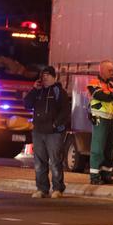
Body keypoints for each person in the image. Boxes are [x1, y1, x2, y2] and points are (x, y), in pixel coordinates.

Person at [24, 66, 69, 198]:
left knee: (55, 161)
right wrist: (34, 89)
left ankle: (58, 188)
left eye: (48, 75)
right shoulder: (38, 92)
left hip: (53, 133)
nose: (45, 78)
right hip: (38, 131)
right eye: (43, 76)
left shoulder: (59, 92)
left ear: (54, 77)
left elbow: (65, 111)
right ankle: (42, 188)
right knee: (39, 162)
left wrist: (55, 124)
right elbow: (27, 104)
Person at [88, 60, 113, 185]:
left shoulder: (111, 84)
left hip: (110, 118)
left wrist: (110, 94)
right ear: (101, 70)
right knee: (97, 148)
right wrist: (111, 94)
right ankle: (94, 176)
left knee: (109, 147)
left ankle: (106, 174)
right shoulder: (93, 83)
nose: (112, 72)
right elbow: (100, 96)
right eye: (110, 70)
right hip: (100, 118)